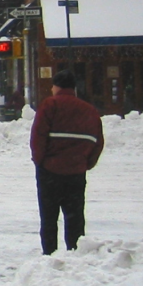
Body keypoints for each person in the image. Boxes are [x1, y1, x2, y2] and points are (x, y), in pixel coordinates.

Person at [30, 70, 105, 255]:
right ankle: (75, 252)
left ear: (56, 86)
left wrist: (40, 162)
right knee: (75, 218)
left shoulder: (50, 105)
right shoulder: (89, 110)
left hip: (49, 172)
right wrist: (86, 163)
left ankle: (50, 254)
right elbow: (98, 141)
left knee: (48, 218)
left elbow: (38, 137)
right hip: (76, 173)